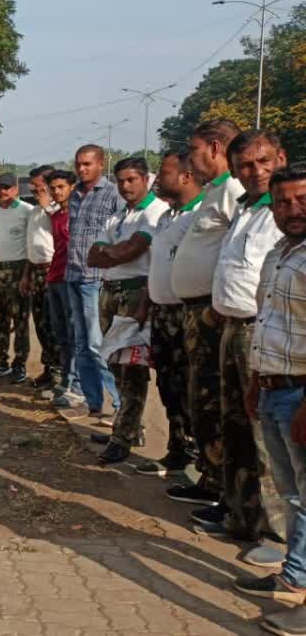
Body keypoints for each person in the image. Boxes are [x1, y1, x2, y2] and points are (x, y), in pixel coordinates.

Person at [194, 130, 289, 563]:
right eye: (245, 166)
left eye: (262, 161)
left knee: (266, 434)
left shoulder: (287, 212)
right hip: (232, 328)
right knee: (233, 425)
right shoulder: (248, 210)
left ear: (280, 158)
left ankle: (277, 536)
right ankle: (240, 514)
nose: (255, 171)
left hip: (262, 332)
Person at [230, 164, 306, 636]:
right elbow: (270, 323)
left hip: (302, 394)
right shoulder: (281, 252)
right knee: (294, 495)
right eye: (282, 202)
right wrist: (257, 382)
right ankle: (295, 575)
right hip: (275, 389)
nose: (292, 210)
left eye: (301, 200)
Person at [167, 119, 245, 510]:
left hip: (213, 315)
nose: (190, 158)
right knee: (201, 401)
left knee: (215, 402)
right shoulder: (215, 192)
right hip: (197, 313)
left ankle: (224, 490)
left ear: (215, 148)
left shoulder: (233, 190)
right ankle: (211, 477)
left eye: (194, 149)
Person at [85, 157, 169, 464]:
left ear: (146, 179)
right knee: (115, 364)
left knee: (132, 367)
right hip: (110, 291)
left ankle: (123, 438)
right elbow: (93, 256)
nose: (125, 186)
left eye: (132, 179)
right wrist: (111, 253)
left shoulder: (154, 211)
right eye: (121, 180)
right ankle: (128, 426)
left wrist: (111, 252)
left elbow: (132, 249)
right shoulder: (119, 215)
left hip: (135, 294)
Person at [135, 150, 204, 479]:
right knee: (167, 383)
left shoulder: (200, 215)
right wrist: (147, 303)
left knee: (191, 386)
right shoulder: (166, 217)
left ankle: (201, 461)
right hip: (161, 313)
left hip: (186, 315)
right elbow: (157, 265)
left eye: (163, 173)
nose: (157, 180)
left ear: (187, 176)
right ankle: (178, 448)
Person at [57, 144, 124, 420]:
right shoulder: (75, 196)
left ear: (101, 164)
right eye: (79, 164)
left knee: (98, 345)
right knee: (81, 344)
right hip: (73, 274)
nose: (82, 169)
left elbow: (121, 235)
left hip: (95, 279)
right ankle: (94, 402)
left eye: (87, 164)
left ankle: (120, 406)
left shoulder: (112, 194)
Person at [0, 173, 34, 383]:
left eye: (7, 188)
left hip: (18, 271)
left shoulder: (27, 211)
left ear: (16, 189)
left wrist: (27, 276)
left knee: (20, 320)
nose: (2, 192)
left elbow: (32, 245)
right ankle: (1, 362)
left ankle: (20, 364)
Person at [43, 170, 81, 402]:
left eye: (61, 187)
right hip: (55, 277)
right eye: (53, 188)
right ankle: (66, 379)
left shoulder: (79, 214)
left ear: (71, 187)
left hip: (72, 279)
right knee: (62, 334)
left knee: (75, 332)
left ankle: (75, 385)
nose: (57, 192)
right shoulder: (56, 216)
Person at [22, 165, 61, 390]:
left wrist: (49, 207)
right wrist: (27, 275)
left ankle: (59, 373)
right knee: (40, 323)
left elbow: (62, 231)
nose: (33, 189)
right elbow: (32, 247)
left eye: (38, 185)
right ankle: (49, 368)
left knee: (53, 322)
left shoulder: (57, 209)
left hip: (52, 270)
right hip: (36, 271)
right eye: (33, 185)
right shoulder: (34, 211)